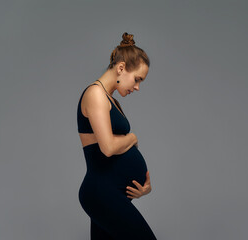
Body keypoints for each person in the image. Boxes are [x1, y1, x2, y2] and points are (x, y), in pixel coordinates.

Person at [77, 32, 157, 239]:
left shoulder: (112, 100)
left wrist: (143, 188)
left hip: (111, 192)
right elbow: (109, 147)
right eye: (137, 79)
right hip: (101, 193)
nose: (137, 87)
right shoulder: (95, 94)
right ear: (121, 68)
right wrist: (133, 138)